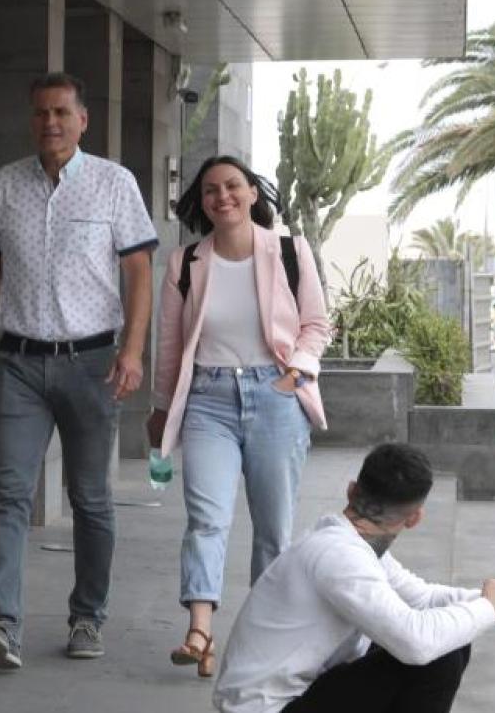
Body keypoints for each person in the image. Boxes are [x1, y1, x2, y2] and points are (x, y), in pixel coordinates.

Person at [0, 72, 158, 669]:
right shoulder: (4, 185)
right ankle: (2, 625)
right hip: (16, 362)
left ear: (83, 119)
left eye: (62, 112)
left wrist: (133, 351)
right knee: (8, 494)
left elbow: (139, 273)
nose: (51, 123)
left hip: (92, 363)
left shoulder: (115, 185)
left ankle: (88, 617)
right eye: (41, 113)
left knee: (90, 498)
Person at [145, 155, 331, 677]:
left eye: (232, 186)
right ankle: (200, 630)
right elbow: (170, 345)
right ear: (200, 202)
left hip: (275, 397)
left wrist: (294, 374)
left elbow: (316, 324)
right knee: (207, 519)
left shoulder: (290, 252)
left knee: (273, 529)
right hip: (207, 400)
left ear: (253, 192)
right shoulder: (185, 263)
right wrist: (162, 410)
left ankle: (262, 639)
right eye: (210, 190)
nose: (221, 197)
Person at [214, 443, 495, 713]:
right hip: (266, 708)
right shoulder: (340, 557)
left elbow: (423, 598)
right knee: (437, 654)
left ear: (352, 490)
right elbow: (417, 644)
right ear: (414, 519)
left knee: (446, 638)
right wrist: (490, 608)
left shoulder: (346, 544)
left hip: (297, 692)